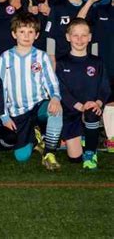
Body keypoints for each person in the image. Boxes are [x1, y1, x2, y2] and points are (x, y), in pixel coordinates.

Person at [0, 13, 63, 170]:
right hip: (17, 113)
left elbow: (51, 81)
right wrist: (4, 117)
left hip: (37, 105)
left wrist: (55, 97)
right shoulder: (5, 57)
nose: (26, 36)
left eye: (30, 32)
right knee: (21, 156)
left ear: (37, 35)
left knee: (56, 109)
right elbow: (0, 89)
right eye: (22, 31)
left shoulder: (41, 56)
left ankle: (49, 153)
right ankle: (36, 138)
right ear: (14, 34)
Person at [56, 18, 110, 170]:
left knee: (91, 113)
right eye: (75, 35)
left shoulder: (97, 62)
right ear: (68, 37)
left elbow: (105, 88)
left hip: (92, 109)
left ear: (90, 37)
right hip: (71, 112)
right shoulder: (62, 63)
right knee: (74, 159)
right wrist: (80, 107)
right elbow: (62, 91)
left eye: (84, 35)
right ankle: (85, 136)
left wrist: (98, 103)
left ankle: (91, 153)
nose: (80, 40)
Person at [45, 0, 95, 67]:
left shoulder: (91, 9)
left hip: (85, 62)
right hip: (61, 60)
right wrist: (51, 57)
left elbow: (95, 39)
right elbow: (50, 36)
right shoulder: (57, 8)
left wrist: (94, 59)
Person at [92, 0, 114, 152]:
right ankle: (111, 138)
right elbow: (79, 21)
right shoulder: (100, 11)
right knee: (109, 101)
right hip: (106, 65)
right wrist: (91, 0)